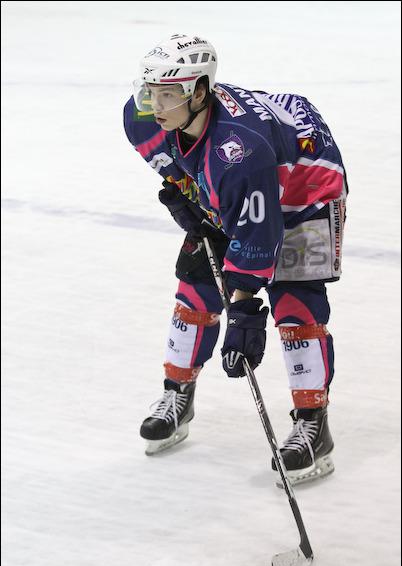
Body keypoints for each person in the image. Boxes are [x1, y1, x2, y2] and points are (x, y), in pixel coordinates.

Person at [124, 34, 347, 486]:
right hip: (246, 179)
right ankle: (178, 394)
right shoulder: (143, 117)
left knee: (295, 302)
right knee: (196, 286)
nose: (154, 104)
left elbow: (258, 238)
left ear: (199, 93)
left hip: (308, 187)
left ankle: (313, 425)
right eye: (151, 91)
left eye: (167, 94)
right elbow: (176, 164)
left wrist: (244, 312)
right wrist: (188, 193)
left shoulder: (241, 151)